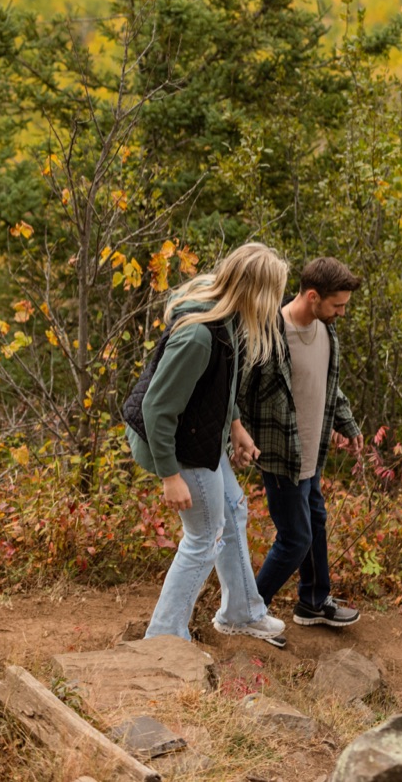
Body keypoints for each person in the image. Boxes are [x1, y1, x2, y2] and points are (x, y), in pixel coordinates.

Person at [125, 242, 289, 646]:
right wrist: (170, 476)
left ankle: (242, 612)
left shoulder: (227, 319)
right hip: (176, 444)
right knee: (205, 536)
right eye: (275, 295)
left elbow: (216, 384)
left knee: (232, 508)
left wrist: (235, 425)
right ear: (257, 293)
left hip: (198, 433)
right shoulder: (198, 336)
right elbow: (157, 409)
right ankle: (164, 638)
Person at [241, 257, 364, 628]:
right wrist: (238, 438)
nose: (341, 312)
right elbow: (240, 390)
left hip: (313, 454)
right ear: (313, 296)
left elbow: (328, 385)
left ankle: (312, 601)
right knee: (295, 539)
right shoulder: (270, 332)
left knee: (316, 524)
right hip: (281, 456)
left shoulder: (327, 332)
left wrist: (348, 423)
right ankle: (248, 611)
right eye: (337, 305)